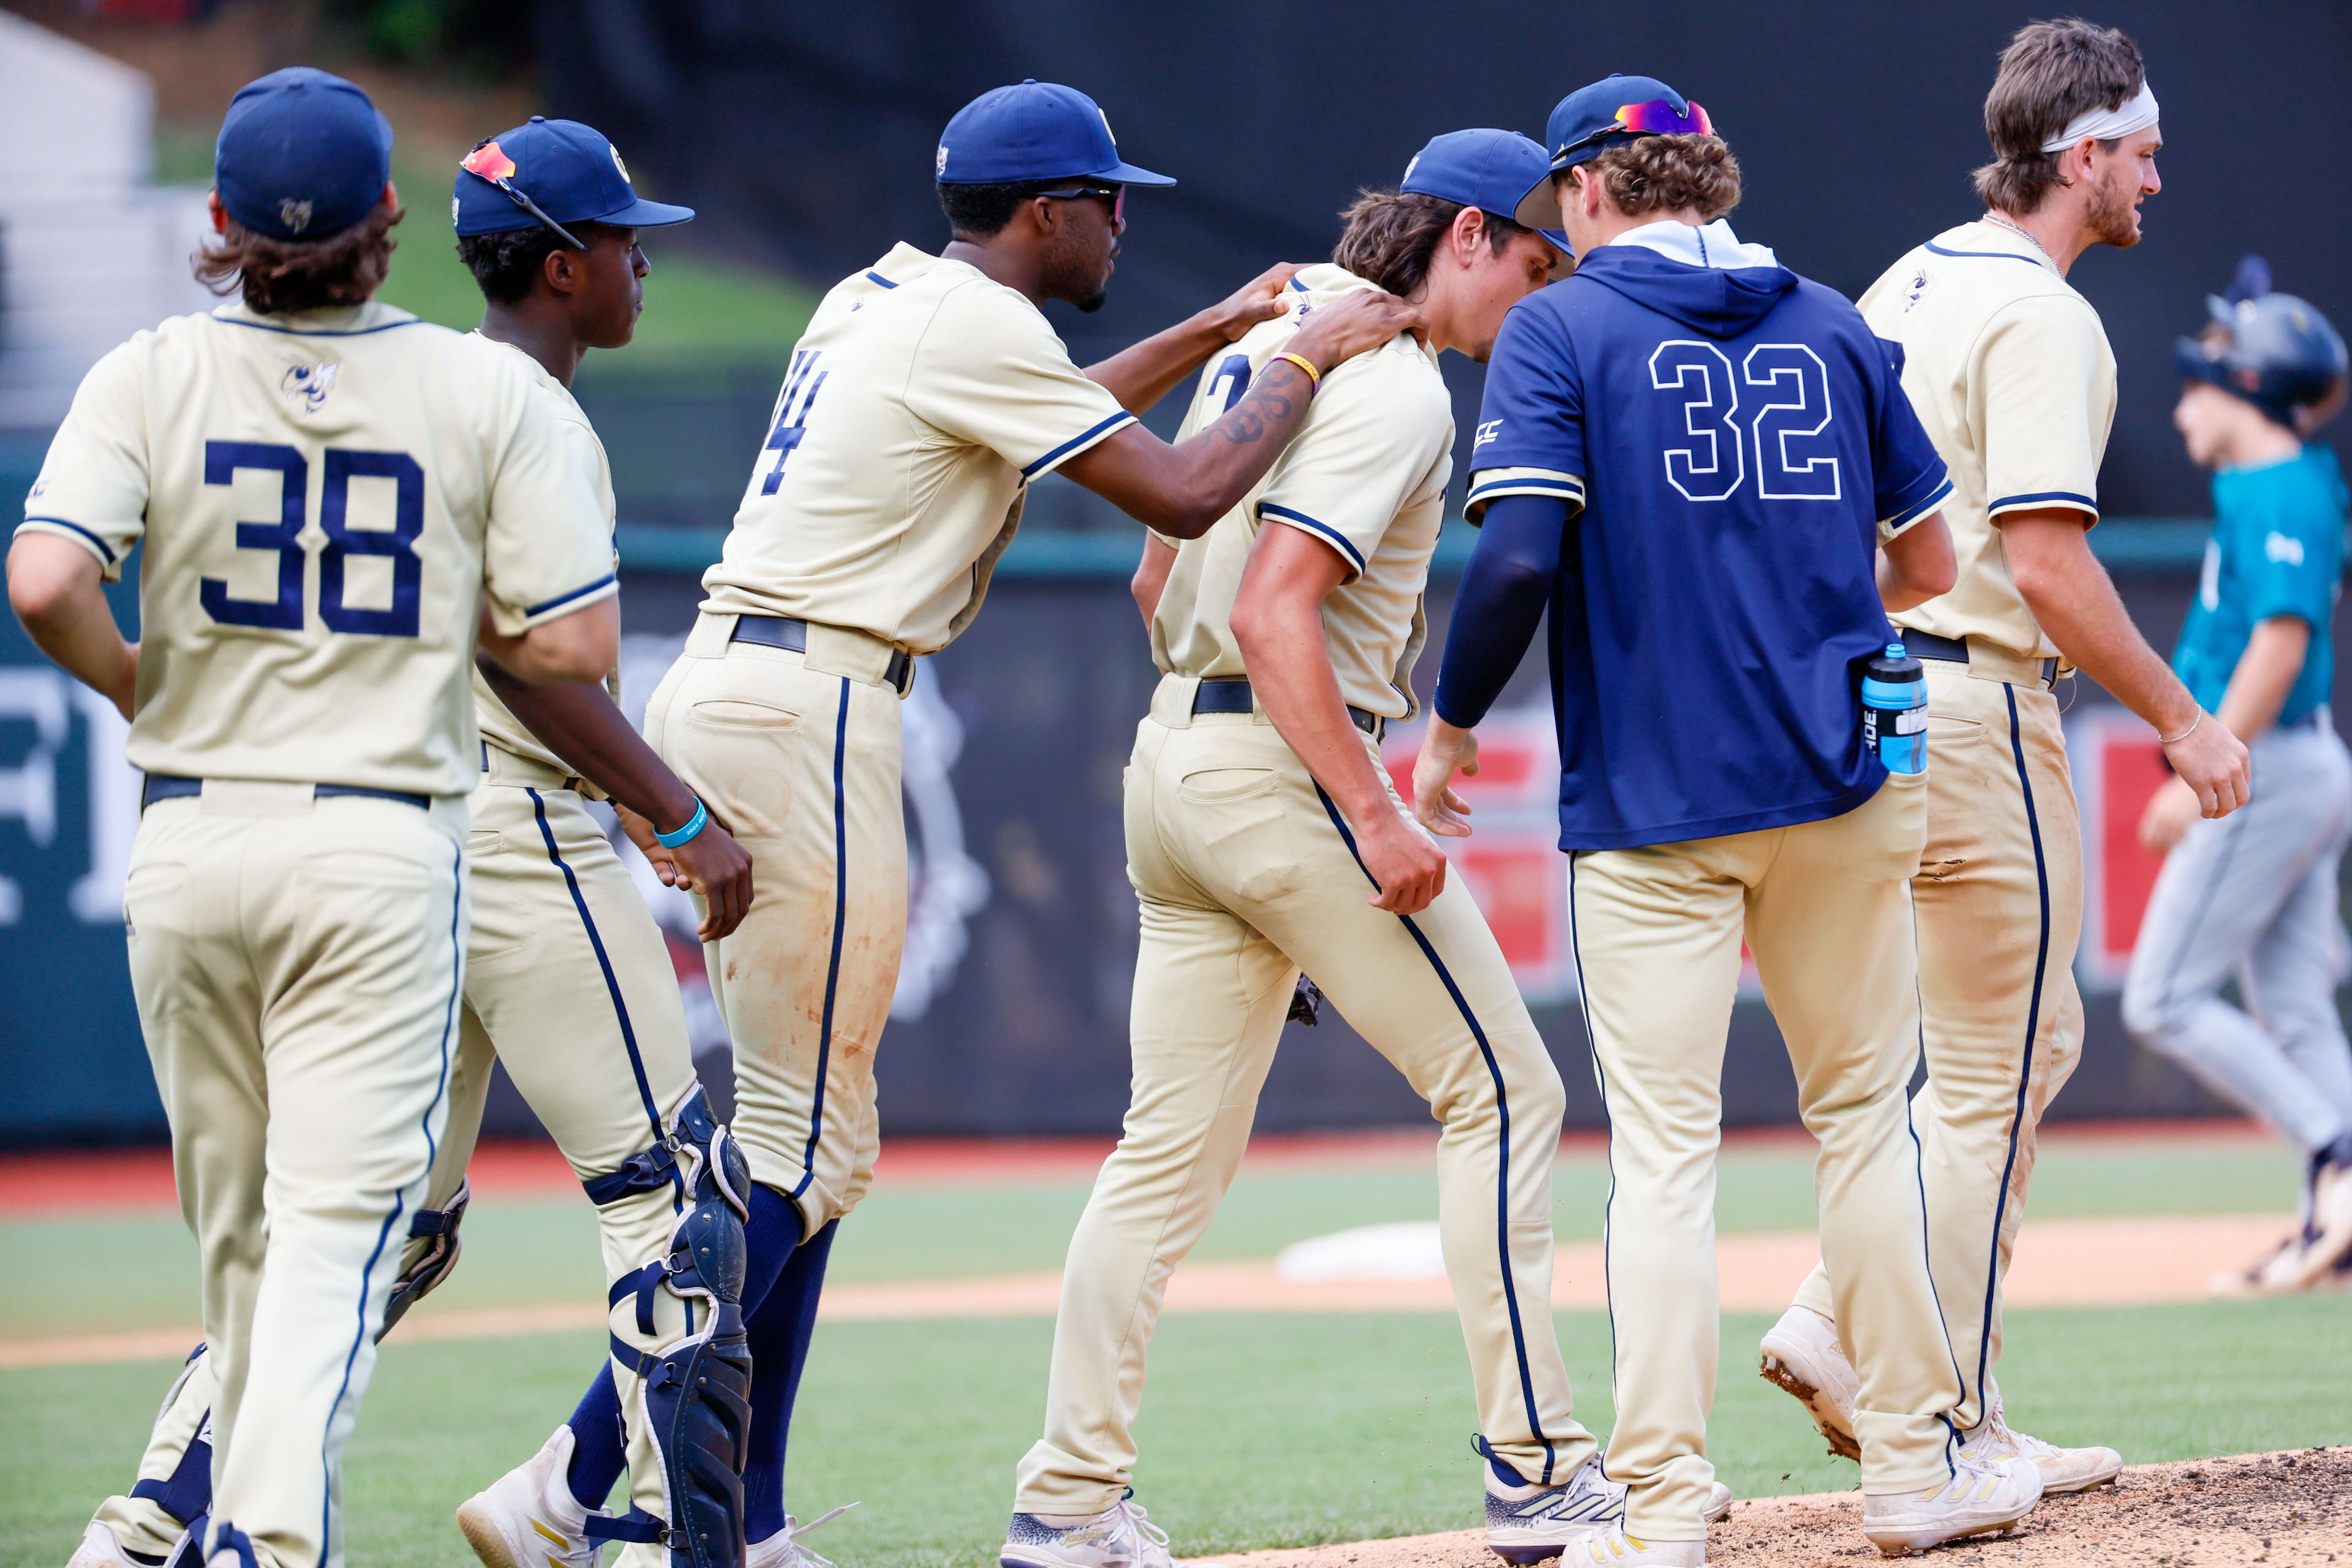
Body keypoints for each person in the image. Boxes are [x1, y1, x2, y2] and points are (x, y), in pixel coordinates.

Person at [505, 78, 1420, 1568]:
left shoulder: (892, 294)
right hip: (814, 701)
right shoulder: (984, 331)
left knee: (793, 1146)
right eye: (1109, 198)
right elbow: (1189, 495)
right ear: (1049, 210)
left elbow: (1036, 423)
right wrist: (1300, 358)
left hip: (750, 684)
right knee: (807, 1153)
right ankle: (586, 1478)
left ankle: (736, 1508)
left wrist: (1207, 336)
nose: (1124, 221)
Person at [58, 116, 775, 1568]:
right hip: (505, 831)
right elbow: (542, 664)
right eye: (629, 239)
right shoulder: (504, 405)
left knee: (373, 1235)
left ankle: (154, 1523)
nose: (646, 262)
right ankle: (669, 1547)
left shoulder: (363, 386)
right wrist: (681, 813)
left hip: (392, 848)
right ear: (566, 268)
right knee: (678, 1194)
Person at [1003, 130, 1725, 1568]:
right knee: (1509, 1092)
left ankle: (1070, 1499)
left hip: (1177, 764)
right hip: (1279, 773)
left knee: (1161, 1157)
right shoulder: (1391, 379)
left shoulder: (1277, 334)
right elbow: (1279, 615)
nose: (1538, 295)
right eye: (1534, 261)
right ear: (1467, 235)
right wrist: (1368, 809)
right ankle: (1539, 1470)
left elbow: (1163, 573)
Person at [1412, 75, 2022, 1564]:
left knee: (1667, 1157)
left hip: (1658, 800)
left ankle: (1668, 1508)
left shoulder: (1561, 326)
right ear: (1705, 176)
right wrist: (1810, 616)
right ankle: (1911, 1475)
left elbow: (1510, 569)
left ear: (1591, 189)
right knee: (1865, 1132)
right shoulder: (1828, 317)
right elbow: (1933, 560)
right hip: (1845, 772)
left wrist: (1444, 728)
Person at [1752, 18, 2248, 1496]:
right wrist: (2179, 714)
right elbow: (2043, 562)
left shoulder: (1898, 277)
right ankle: (1947, 1416)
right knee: (2001, 1064)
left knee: (1937, 1071)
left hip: (1881, 693)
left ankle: (1841, 1320)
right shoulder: (2043, 315)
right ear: (2082, 152)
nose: (2157, 177)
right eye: (2143, 152)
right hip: (1975, 694)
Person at [2124, 257, 2352, 1294]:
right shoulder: (2267, 483)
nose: (2182, 407)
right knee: (2297, 1007)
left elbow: (2281, 639)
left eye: (2201, 382)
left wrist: (2202, 769)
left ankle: (2336, 1159)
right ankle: (2333, 1222)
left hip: (2272, 767)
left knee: (2162, 998)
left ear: (2249, 388)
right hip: (2299, 764)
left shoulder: (2281, 486)